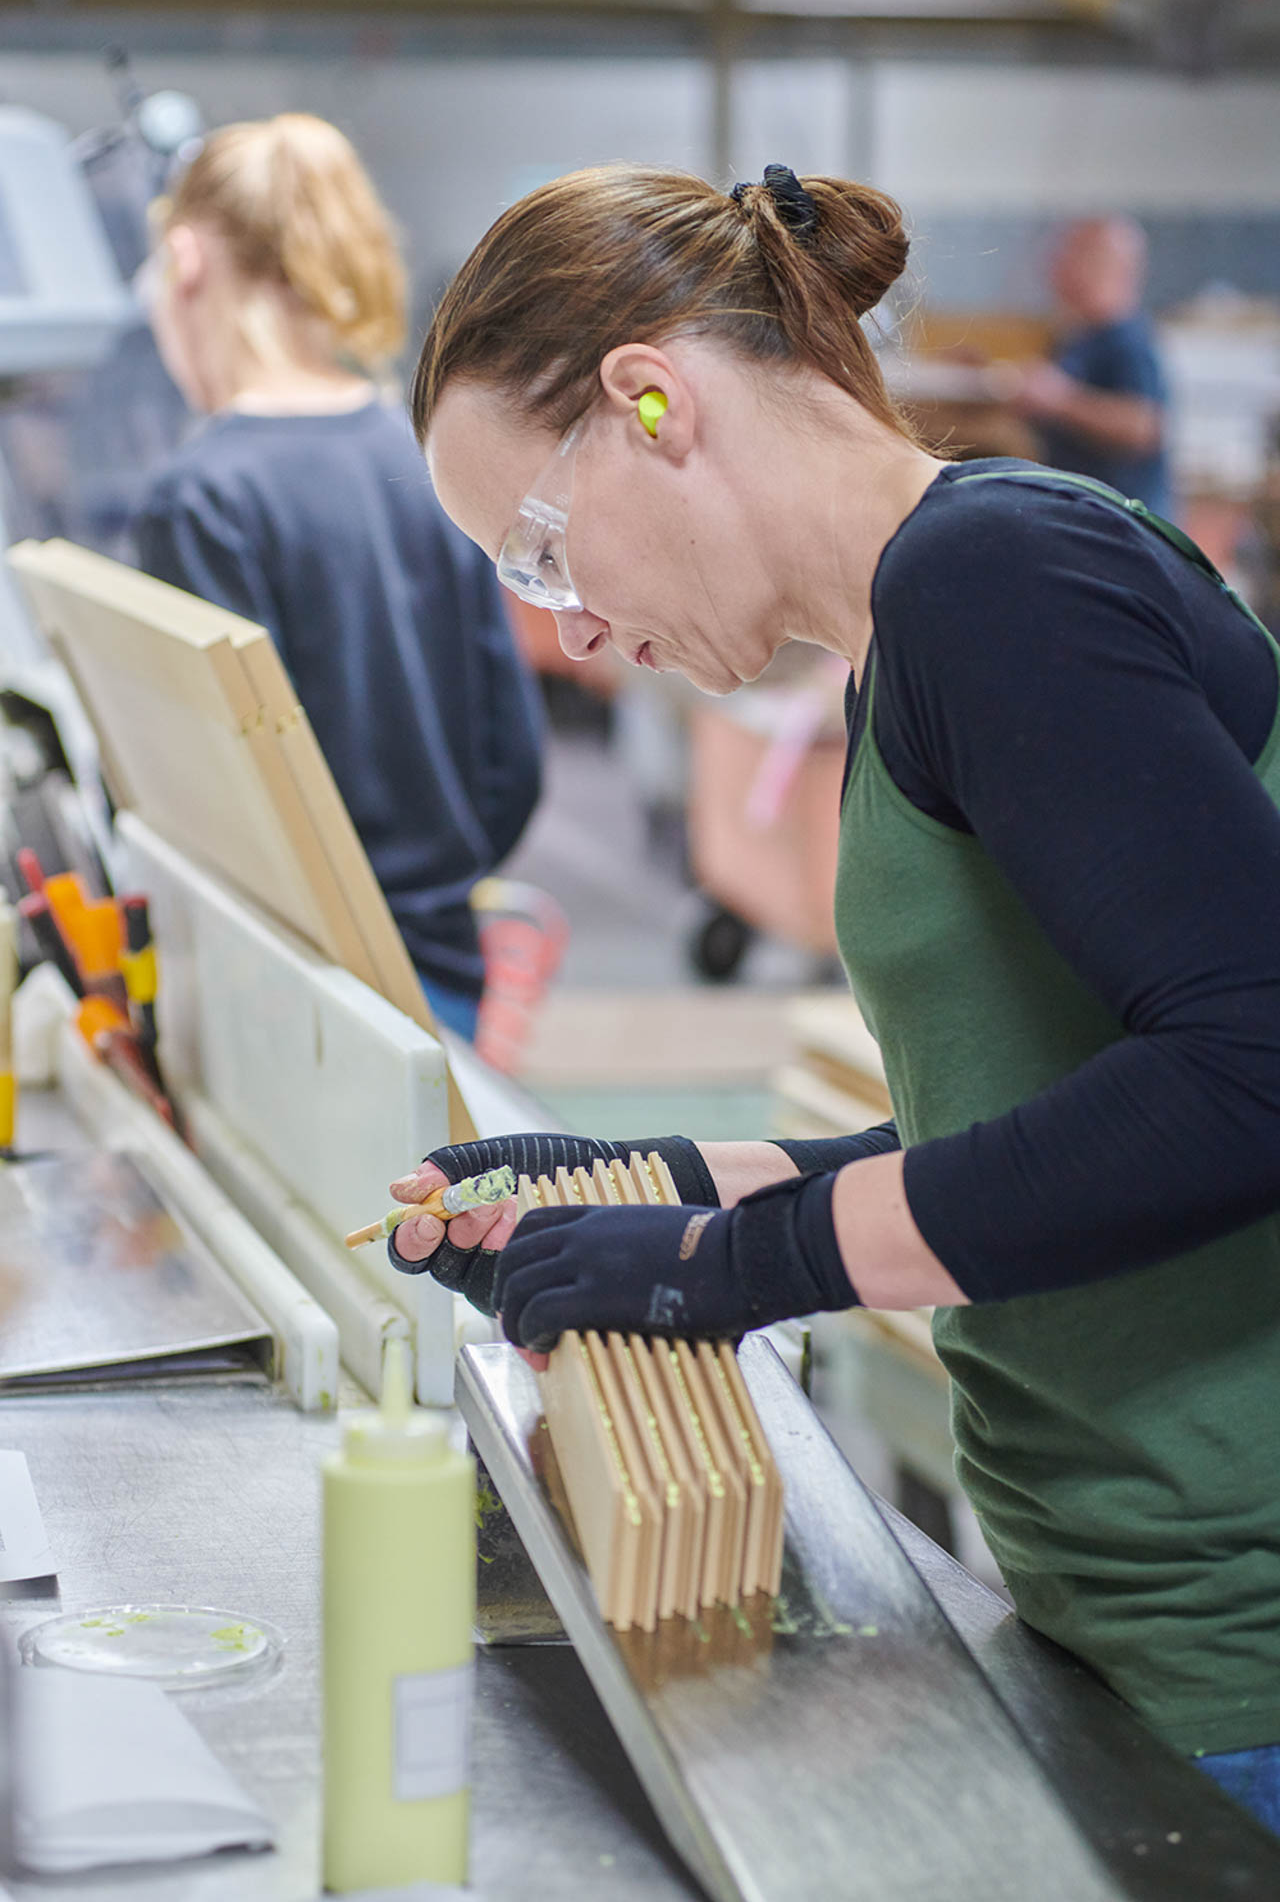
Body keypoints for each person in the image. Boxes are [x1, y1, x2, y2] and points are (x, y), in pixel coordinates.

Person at [383, 160, 1280, 1834]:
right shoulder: (915, 630)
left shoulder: (995, 582)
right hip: (1138, 1615)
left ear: (654, 402)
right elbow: (1042, 1115)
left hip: (1243, 1649)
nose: (573, 629)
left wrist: (744, 1270)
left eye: (538, 549)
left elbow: (1254, 1068)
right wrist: (670, 1184)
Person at [132, 114, 542, 1040]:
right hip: (443, 962)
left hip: (297, 992)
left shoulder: (201, 498)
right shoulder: (423, 456)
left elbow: (221, 801)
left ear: (186, 262)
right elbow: (511, 755)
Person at [1009, 214, 1174, 518]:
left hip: (1125, 524)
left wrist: (1061, 401)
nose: (1055, 265)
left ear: (1110, 266)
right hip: (1083, 514)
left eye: (1071, 254)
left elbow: (1144, 426)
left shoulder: (1127, 339)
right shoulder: (1077, 336)